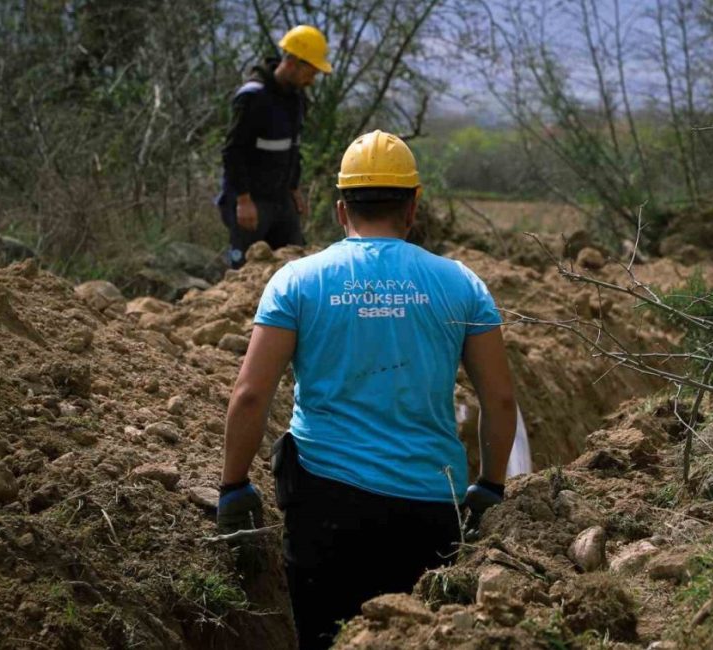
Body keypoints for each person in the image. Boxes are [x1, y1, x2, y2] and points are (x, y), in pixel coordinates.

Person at [216, 130, 518, 649]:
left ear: (339, 210)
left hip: (324, 508)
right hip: (429, 507)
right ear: (413, 206)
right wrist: (490, 486)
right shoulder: (463, 284)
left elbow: (249, 395)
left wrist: (233, 485)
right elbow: (501, 399)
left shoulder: (296, 281)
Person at [217, 25, 332, 269]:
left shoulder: (297, 99)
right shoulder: (253, 97)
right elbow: (233, 151)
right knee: (245, 271)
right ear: (292, 63)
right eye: (310, 72)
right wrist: (243, 200)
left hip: (280, 198)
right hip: (250, 202)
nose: (312, 80)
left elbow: (292, 148)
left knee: (296, 263)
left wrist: (294, 188)